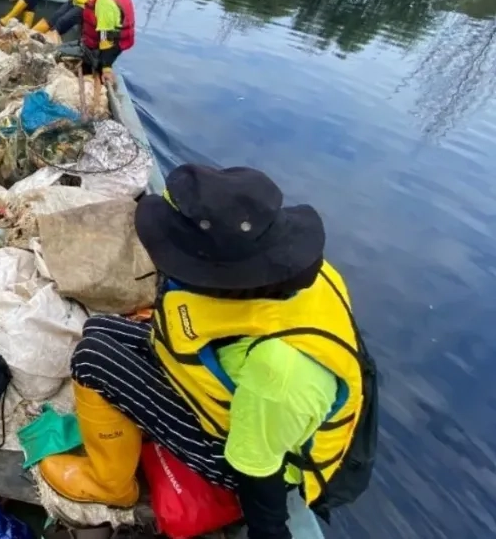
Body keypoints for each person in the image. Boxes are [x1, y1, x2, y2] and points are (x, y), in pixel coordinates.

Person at [39, 164, 378, 539]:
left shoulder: (281, 371)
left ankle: (112, 486)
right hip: (231, 397)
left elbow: (258, 472)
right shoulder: (293, 272)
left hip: (242, 458)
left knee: (93, 358)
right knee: (100, 328)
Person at [77, 0, 134, 84]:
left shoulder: (103, 1)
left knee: (60, 53)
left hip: (103, 49)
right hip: (113, 46)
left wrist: (106, 67)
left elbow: (105, 36)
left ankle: (95, 73)